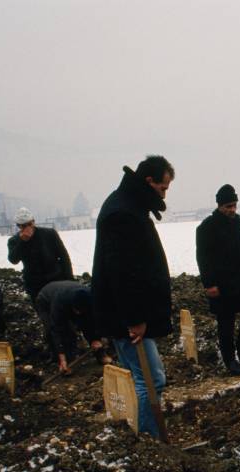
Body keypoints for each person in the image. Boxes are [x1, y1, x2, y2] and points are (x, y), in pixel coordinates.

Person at [91, 156, 175, 439]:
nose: (164, 194)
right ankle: (150, 440)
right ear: (149, 182)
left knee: (143, 378)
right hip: (128, 319)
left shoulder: (127, 205)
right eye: (163, 188)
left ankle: (144, 437)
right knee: (150, 380)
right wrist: (135, 318)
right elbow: (121, 272)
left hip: (128, 315)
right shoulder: (122, 213)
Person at [196, 184, 240, 375]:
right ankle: (229, 359)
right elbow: (202, 258)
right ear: (219, 206)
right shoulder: (206, 228)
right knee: (226, 322)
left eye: (234, 205)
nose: (232, 210)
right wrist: (209, 284)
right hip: (221, 284)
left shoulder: (239, 224)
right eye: (228, 206)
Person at [35, 280, 111, 374]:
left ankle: (100, 354)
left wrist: (96, 339)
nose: (78, 313)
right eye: (76, 311)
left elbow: (91, 322)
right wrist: (62, 357)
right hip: (45, 301)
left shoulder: (91, 298)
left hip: (72, 295)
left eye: (80, 311)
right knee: (61, 330)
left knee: (86, 321)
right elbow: (56, 329)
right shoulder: (59, 303)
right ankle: (63, 361)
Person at [7, 207, 74, 301]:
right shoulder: (14, 241)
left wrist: (70, 280)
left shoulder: (49, 234)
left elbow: (64, 257)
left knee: (61, 309)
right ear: (18, 226)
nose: (27, 228)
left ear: (33, 222)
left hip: (56, 278)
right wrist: (22, 242)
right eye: (23, 226)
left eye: (29, 224)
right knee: (43, 311)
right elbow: (13, 260)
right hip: (35, 285)